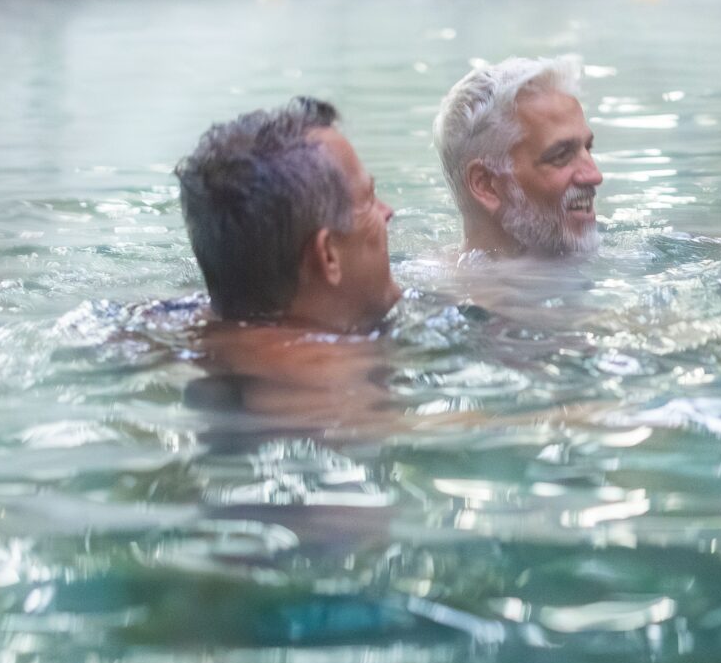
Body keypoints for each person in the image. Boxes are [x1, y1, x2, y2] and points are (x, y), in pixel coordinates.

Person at [173, 97, 403, 428]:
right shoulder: (330, 387)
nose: (387, 212)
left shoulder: (189, 330)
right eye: (368, 200)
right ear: (328, 256)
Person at [433, 55, 603, 260]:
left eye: (587, 148)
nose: (595, 176)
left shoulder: (628, 259)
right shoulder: (433, 290)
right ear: (486, 185)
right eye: (561, 156)